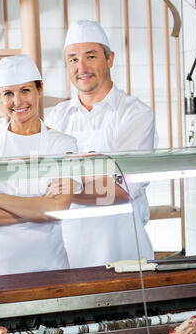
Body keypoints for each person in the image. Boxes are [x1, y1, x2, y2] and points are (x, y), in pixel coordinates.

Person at [45, 20, 157, 268]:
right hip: (68, 251)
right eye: (73, 59)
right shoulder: (56, 118)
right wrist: (91, 181)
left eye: (91, 56)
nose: (81, 67)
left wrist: (69, 188)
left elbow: (123, 188)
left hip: (124, 252)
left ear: (110, 59)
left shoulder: (135, 114)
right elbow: (43, 179)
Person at [0, 55, 82, 277]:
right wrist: (38, 208)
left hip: (48, 266)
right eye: (8, 93)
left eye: (25, 90)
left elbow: (57, 209)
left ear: (40, 89)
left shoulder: (63, 144)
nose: (17, 102)